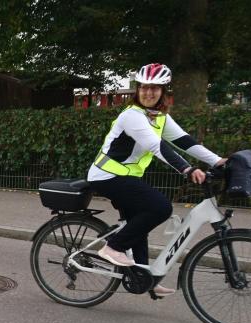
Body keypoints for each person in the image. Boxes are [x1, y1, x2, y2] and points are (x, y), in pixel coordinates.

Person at [87, 63, 227, 297]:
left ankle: (145, 278)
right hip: (107, 175)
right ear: (138, 90)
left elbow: (185, 141)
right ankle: (113, 247)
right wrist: (187, 169)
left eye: (155, 88)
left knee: (139, 224)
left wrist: (218, 162)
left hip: (126, 176)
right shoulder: (131, 115)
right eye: (144, 87)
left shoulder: (159, 117)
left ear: (163, 91)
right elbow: (156, 145)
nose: (148, 92)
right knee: (160, 207)